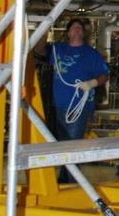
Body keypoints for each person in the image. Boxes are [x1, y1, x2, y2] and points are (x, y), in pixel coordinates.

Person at [39, 18, 108, 183]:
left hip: (80, 106)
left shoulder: (91, 54)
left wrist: (92, 83)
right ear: (68, 33)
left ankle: (69, 179)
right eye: (74, 28)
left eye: (80, 29)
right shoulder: (57, 50)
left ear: (83, 34)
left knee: (73, 143)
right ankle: (65, 177)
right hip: (58, 105)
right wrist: (44, 28)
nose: (77, 31)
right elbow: (39, 50)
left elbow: (104, 75)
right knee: (62, 143)